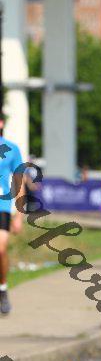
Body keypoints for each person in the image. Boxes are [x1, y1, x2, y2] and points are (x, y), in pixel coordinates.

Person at [0, 114, 24, 314]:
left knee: (0, 250)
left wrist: (19, 215)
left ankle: (2, 288)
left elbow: (19, 182)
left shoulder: (11, 148)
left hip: (2, 206)